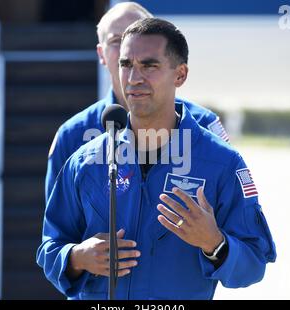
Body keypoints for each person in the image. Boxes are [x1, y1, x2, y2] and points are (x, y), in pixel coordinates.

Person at [37, 17, 276, 300]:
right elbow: (50, 247)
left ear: (180, 75)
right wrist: (77, 257)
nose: (134, 78)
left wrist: (215, 243)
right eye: (126, 65)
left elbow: (254, 262)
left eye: (149, 65)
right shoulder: (85, 163)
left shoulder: (221, 164)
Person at [45, 2, 229, 201]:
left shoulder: (203, 124)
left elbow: (237, 215)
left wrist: (213, 234)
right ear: (101, 54)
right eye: (117, 40)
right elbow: (57, 226)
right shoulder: (72, 135)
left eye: (138, 37)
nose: (129, 47)